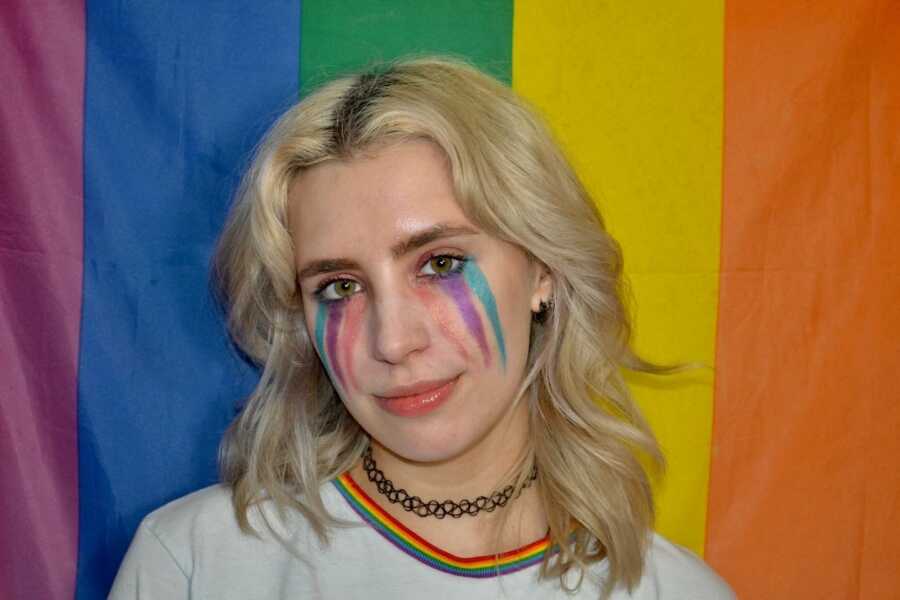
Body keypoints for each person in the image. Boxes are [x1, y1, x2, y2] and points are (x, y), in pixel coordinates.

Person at [109, 57, 734, 599]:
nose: (394, 341)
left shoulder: (673, 591)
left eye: (440, 264)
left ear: (542, 269)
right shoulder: (194, 564)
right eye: (340, 287)